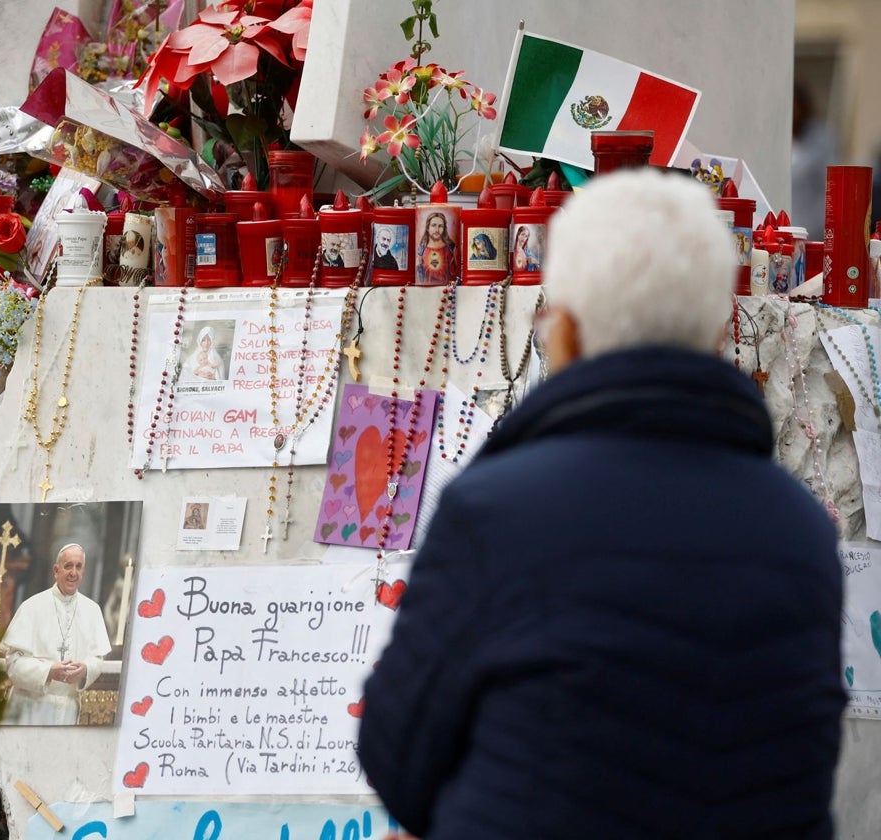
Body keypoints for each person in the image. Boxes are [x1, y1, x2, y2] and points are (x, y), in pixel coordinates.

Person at [358, 169, 844, 839]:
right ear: (714, 335)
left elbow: (397, 762)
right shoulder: (800, 528)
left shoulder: (498, 510)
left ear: (568, 334)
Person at [0, 543, 112, 725]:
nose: (73, 573)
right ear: (56, 570)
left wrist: (85, 669)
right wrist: (49, 671)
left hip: (67, 710)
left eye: (78, 566)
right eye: (68, 566)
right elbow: (13, 665)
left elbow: (97, 659)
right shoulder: (32, 606)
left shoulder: (93, 610)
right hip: (29, 707)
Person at [792, 80, 837, 240]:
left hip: (812, 231)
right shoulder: (779, 139)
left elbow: (831, 186)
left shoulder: (821, 140)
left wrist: (820, 226)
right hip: (784, 230)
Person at [416, 211, 458, 284]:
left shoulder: (451, 248)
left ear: (444, 229)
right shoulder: (421, 250)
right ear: (427, 228)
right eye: (433, 225)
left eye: (440, 226)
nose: (437, 230)